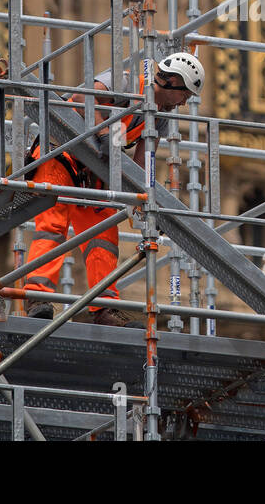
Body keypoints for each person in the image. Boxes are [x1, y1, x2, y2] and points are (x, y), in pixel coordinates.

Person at [21, 52, 204, 326]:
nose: (183, 103)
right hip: (60, 153)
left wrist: (152, 202)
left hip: (92, 170)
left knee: (103, 234)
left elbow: (143, 166)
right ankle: (36, 296)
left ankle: (104, 305)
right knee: (53, 225)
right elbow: (84, 98)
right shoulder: (128, 82)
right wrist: (105, 133)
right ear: (173, 82)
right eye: (185, 95)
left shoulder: (159, 119)